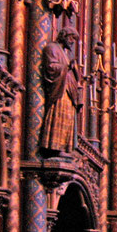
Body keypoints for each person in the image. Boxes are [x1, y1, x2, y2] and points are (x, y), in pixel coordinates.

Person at [39, 26, 80, 156]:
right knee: (58, 115)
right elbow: (51, 67)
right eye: (71, 38)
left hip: (68, 90)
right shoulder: (52, 48)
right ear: (64, 36)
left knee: (67, 117)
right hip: (59, 90)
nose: (73, 41)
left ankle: (63, 147)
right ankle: (54, 147)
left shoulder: (64, 53)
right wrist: (67, 66)